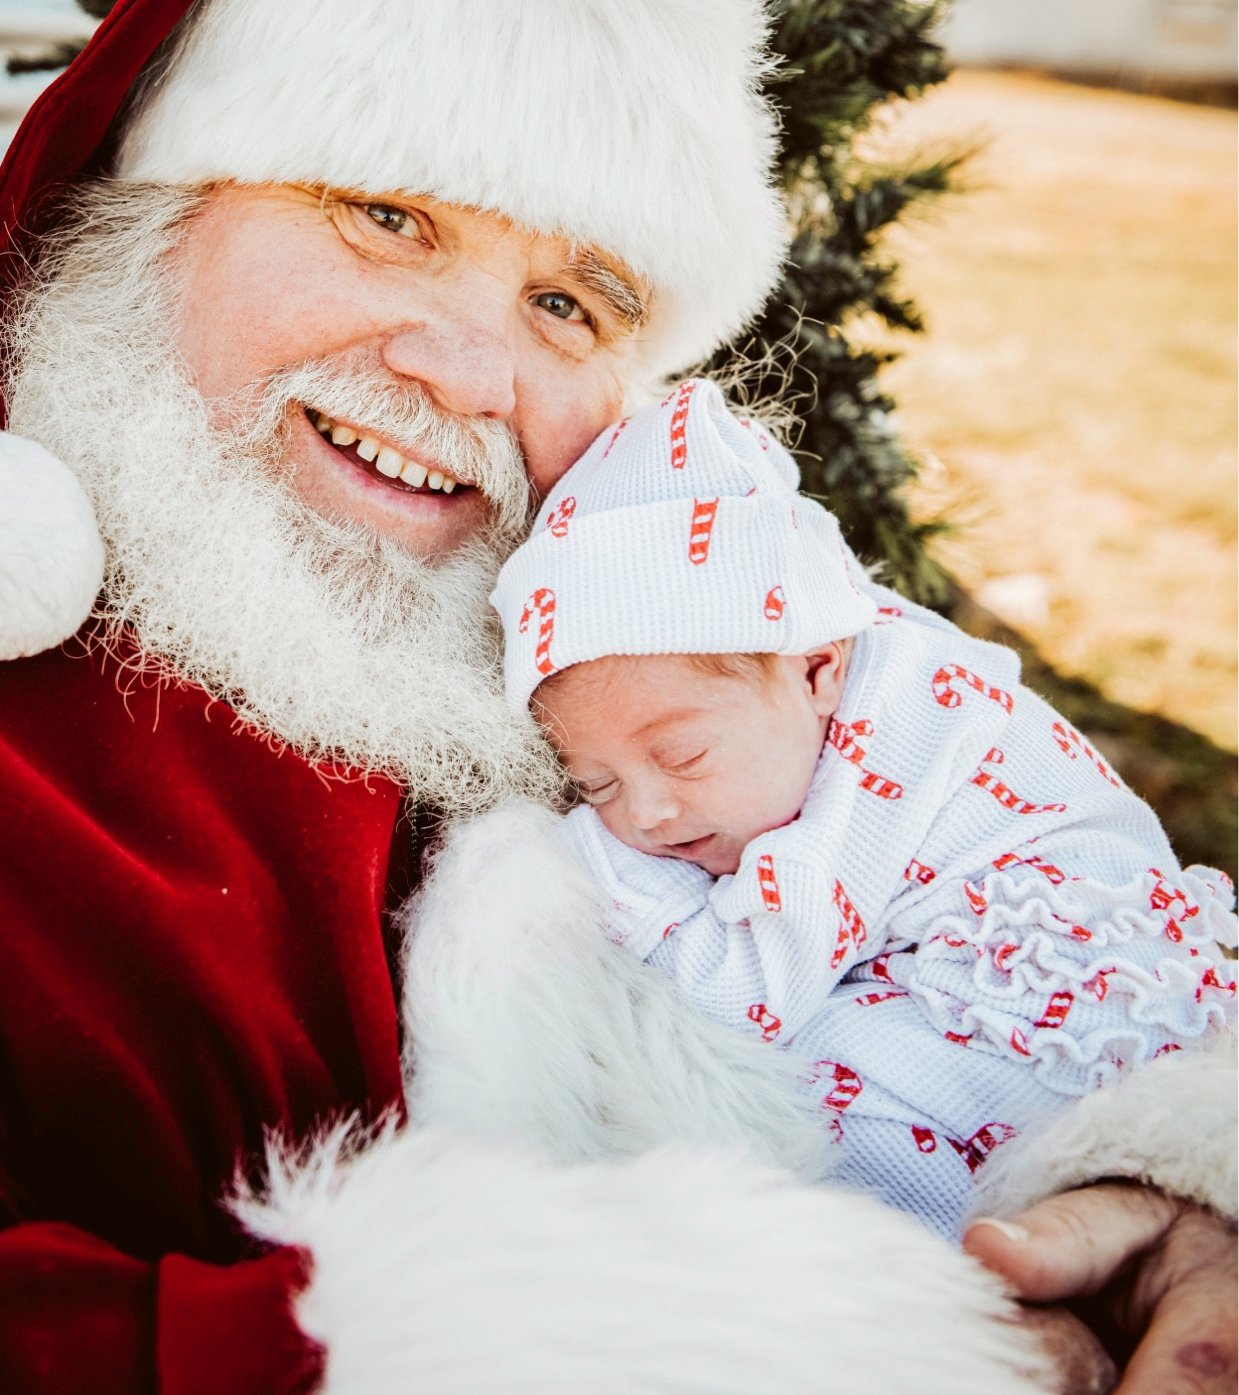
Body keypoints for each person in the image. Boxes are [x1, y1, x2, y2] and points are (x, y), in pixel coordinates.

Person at [0, 0, 1233, 1395]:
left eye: (569, 299)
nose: (465, 370)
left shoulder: (668, 668)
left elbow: (1050, 898)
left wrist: (1171, 1195)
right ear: (148, 209)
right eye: (384, 210)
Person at [484, 377, 1236, 1241]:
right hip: (1105, 991)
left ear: (817, 671)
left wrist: (590, 863)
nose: (646, 814)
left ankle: (917, 1267)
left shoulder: (873, 772)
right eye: (594, 785)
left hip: (1056, 1021)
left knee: (822, 1093)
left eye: (681, 756)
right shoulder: (847, 653)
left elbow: (748, 997)